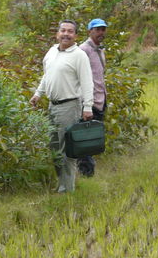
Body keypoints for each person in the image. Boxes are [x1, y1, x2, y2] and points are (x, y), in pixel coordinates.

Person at [29, 20, 93, 193]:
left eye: (70, 31)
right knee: (55, 148)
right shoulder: (51, 52)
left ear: (76, 36)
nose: (66, 34)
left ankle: (67, 189)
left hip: (69, 106)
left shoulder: (79, 55)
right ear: (57, 33)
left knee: (67, 150)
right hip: (52, 105)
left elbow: (87, 82)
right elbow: (47, 76)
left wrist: (88, 107)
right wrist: (37, 94)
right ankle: (61, 184)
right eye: (63, 30)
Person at [77, 18, 108, 177]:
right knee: (85, 140)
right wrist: (85, 104)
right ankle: (86, 173)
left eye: (103, 29)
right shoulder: (83, 49)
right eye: (97, 29)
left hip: (100, 100)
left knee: (93, 138)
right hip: (88, 102)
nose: (101, 32)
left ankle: (88, 171)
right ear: (90, 31)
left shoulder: (100, 49)